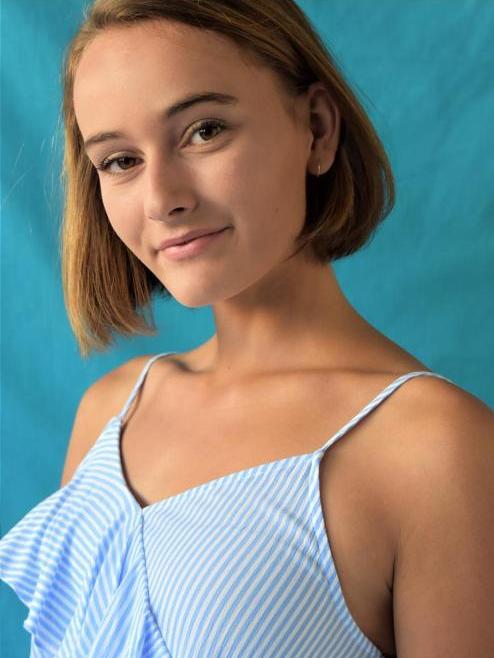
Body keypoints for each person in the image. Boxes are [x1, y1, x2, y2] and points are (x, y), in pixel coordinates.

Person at [1, 1, 493, 656]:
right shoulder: (109, 413)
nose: (163, 198)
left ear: (317, 129)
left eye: (203, 131)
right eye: (120, 161)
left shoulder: (434, 449)